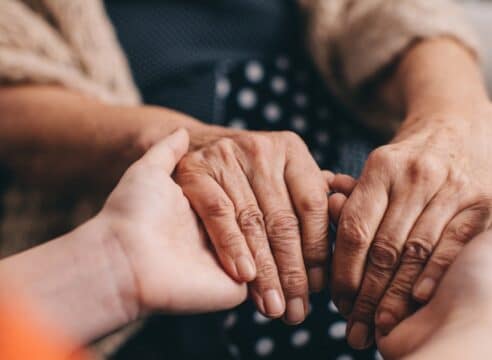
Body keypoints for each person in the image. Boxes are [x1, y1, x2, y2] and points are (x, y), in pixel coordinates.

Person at [1, 0, 491, 358]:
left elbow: (404, 16)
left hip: (417, 288)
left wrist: (454, 120)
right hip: (171, 294)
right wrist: (176, 146)